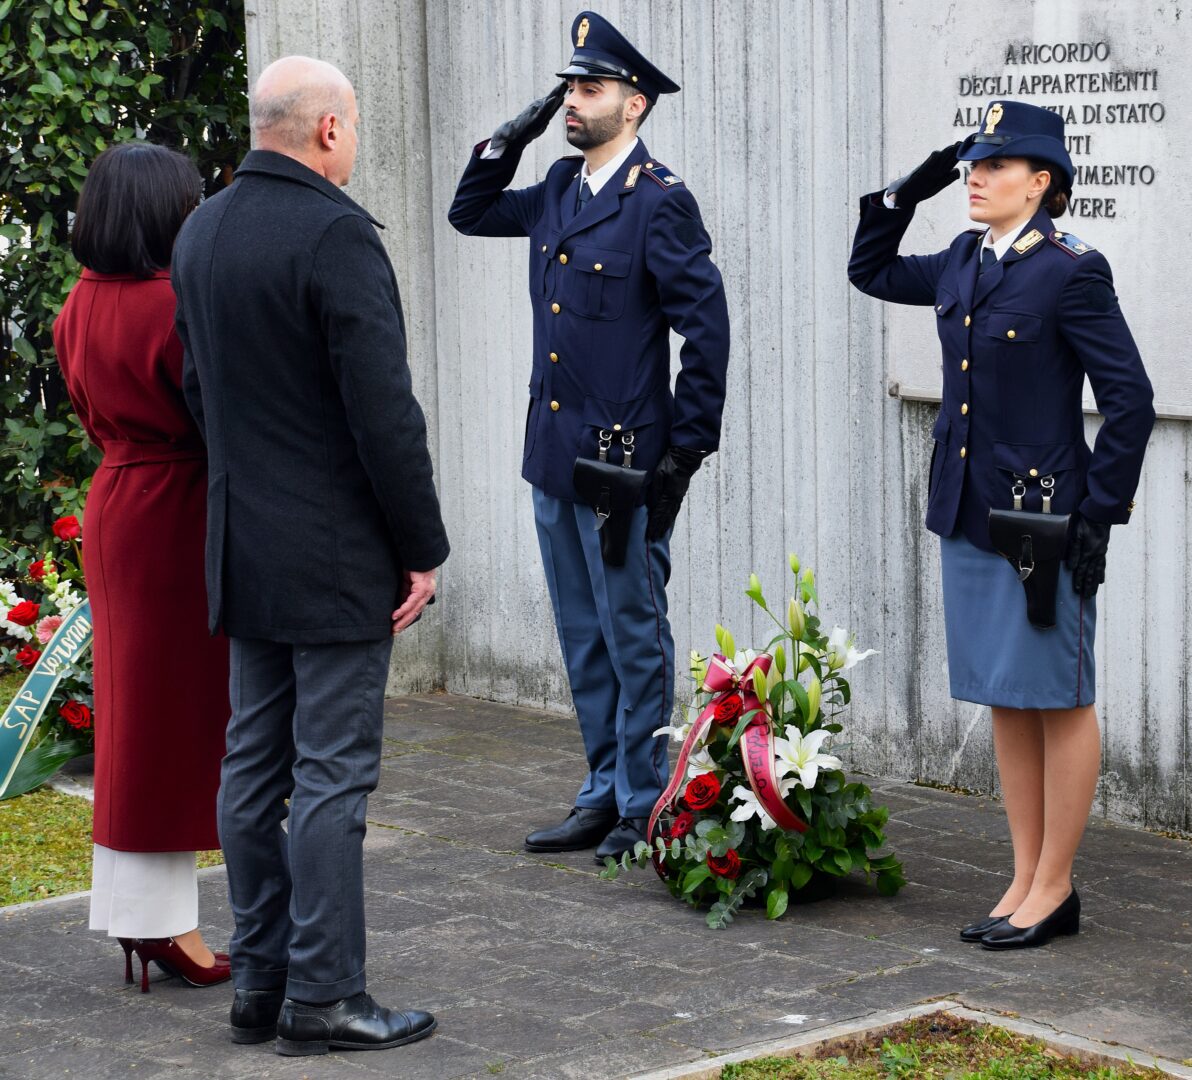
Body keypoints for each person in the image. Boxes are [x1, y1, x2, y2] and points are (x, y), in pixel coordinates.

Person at [172, 56, 448, 1053]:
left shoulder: (201, 230)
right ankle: (326, 996)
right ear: (329, 129)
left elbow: (197, 389)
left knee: (252, 764)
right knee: (332, 775)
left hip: (245, 540)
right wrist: (420, 548)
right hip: (334, 552)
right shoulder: (336, 233)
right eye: (357, 125)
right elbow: (384, 414)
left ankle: (262, 980)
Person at [848, 100, 1154, 950]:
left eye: (994, 166)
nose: (975, 178)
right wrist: (909, 189)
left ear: (1041, 182)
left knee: (1060, 696)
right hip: (971, 508)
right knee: (1007, 699)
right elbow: (870, 269)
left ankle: (1056, 885)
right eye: (971, 165)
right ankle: (1024, 875)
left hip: (1040, 516)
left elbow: (1130, 399)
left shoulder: (1070, 271)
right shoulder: (961, 258)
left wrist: (1098, 513)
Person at [448, 11, 729, 864]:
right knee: (581, 630)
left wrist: (684, 452)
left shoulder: (661, 204)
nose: (575, 99)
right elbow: (471, 212)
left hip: (624, 463)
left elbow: (707, 333)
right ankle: (603, 786)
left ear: (635, 104)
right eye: (569, 86)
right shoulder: (559, 191)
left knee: (632, 631)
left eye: (591, 88)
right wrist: (515, 134)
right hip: (554, 454)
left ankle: (646, 806)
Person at [52, 142, 231, 993]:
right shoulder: (177, 303)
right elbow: (213, 416)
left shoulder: (76, 303)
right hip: (177, 511)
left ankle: (137, 917)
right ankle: (166, 927)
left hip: (116, 500)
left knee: (134, 717)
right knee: (170, 724)